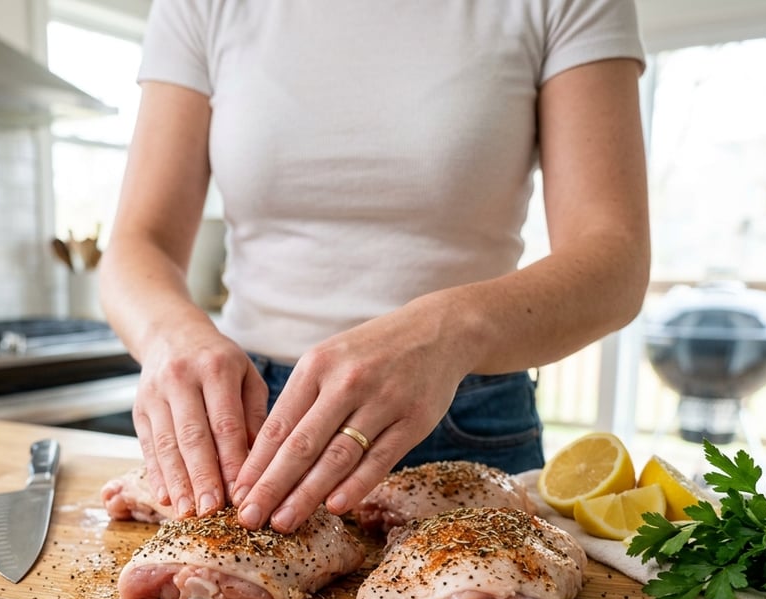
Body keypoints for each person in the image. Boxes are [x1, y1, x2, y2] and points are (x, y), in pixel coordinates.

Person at [98, 0, 650, 535]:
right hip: (246, 422)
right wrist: (171, 337)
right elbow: (138, 242)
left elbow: (615, 258)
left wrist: (448, 329)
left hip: (465, 413)